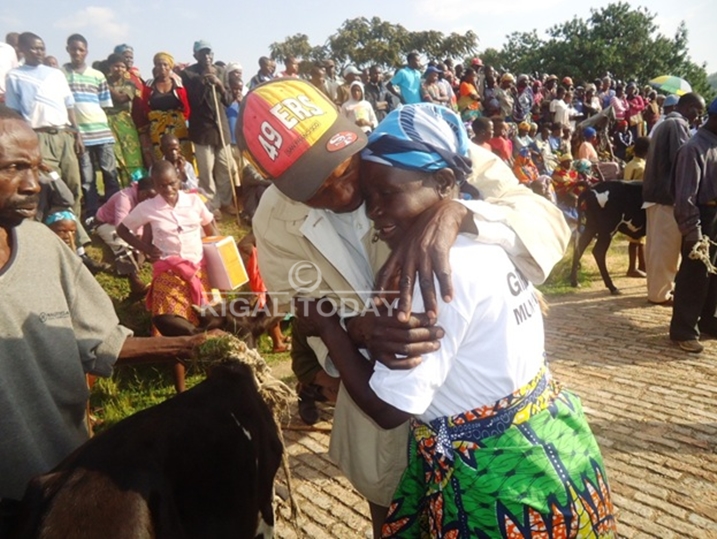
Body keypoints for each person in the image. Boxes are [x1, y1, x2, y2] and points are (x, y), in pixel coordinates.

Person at [237, 79, 571, 537]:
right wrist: (355, 331)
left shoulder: (418, 138)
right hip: (382, 412)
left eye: (345, 171)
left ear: (352, 132)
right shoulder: (274, 221)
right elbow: (305, 309)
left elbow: (543, 218)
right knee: (394, 515)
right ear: (281, 188)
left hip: (479, 410)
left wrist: (456, 214)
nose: (343, 196)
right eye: (315, 191)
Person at [295, 103, 615, 539]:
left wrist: (330, 329)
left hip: (496, 483)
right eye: (371, 198)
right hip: (554, 448)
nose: (374, 212)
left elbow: (388, 410)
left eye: (388, 194)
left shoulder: (429, 275)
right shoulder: (490, 242)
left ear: (445, 183)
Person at [0, 106, 214, 502]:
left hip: (67, 483)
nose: (33, 186)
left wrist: (195, 346)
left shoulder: (45, 247)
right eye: (13, 168)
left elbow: (103, 343)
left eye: (37, 169)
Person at [117, 161, 218, 341]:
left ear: (179, 179)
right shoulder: (148, 207)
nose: (168, 189)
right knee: (171, 316)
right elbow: (122, 230)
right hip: (169, 271)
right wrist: (146, 248)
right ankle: (175, 351)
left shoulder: (194, 201)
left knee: (205, 315)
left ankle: (202, 351)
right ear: (154, 185)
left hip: (197, 270)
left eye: (172, 183)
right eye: (161, 185)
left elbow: (212, 231)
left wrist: (220, 257)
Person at [4, 32, 84, 228]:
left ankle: (74, 229)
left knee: (73, 183)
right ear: (21, 50)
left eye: (42, 48)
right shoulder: (15, 76)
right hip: (38, 136)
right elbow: (14, 112)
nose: (39, 52)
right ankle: (42, 229)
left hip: (64, 134)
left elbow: (69, 105)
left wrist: (77, 133)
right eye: (34, 48)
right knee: (47, 186)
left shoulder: (55, 74)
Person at [642, 92, 705, 305]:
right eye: (698, 111)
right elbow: (681, 160)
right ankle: (659, 295)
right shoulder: (678, 125)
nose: (699, 117)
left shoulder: (663, 124)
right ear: (688, 107)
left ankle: (657, 291)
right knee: (665, 251)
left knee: (656, 248)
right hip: (666, 197)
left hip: (655, 195)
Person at [669, 98, 717, 353]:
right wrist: (693, 231)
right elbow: (685, 196)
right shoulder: (693, 149)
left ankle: (708, 320)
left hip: (715, 217)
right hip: (701, 219)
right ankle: (683, 330)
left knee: (713, 276)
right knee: (694, 276)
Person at [63, 34, 121, 218]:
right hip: (80, 135)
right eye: (73, 49)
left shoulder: (97, 75)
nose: (77, 53)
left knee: (110, 173)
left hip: (101, 132)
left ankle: (113, 211)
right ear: (68, 50)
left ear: (86, 52)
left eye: (81, 49)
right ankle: (93, 214)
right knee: (87, 178)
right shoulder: (61, 74)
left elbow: (104, 105)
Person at [180, 40, 237, 217]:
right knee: (206, 170)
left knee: (224, 166)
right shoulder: (188, 74)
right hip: (202, 129)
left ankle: (226, 202)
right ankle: (212, 204)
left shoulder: (220, 71)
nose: (207, 56)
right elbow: (194, 101)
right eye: (202, 53)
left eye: (209, 53)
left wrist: (218, 83)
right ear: (195, 56)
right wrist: (203, 79)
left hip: (221, 126)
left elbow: (228, 100)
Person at [94, 176, 157, 294]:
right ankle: (134, 280)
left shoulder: (145, 200)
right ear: (143, 194)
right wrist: (142, 244)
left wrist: (143, 241)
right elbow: (120, 228)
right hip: (107, 224)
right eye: (152, 198)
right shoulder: (124, 198)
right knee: (120, 244)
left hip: (129, 226)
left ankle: (138, 261)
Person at [133, 52, 192, 167]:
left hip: (177, 127)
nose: (162, 67)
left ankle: (185, 180)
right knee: (160, 156)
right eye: (159, 64)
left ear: (170, 67)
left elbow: (186, 108)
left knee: (181, 156)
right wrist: (154, 120)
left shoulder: (178, 84)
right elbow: (145, 106)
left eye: (165, 65)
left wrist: (177, 120)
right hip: (157, 127)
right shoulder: (149, 86)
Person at [104, 53, 144, 186]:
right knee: (114, 159)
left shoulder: (130, 84)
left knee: (133, 157)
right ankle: (119, 190)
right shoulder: (100, 81)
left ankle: (138, 187)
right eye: (116, 66)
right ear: (110, 66)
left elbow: (122, 98)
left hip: (125, 124)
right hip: (107, 124)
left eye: (122, 67)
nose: (119, 69)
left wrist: (105, 86)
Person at [622, 136, 650, 279]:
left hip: (629, 203)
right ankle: (632, 267)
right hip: (638, 204)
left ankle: (642, 265)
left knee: (639, 238)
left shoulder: (630, 164)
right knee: (636, 237)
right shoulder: (642, 167)